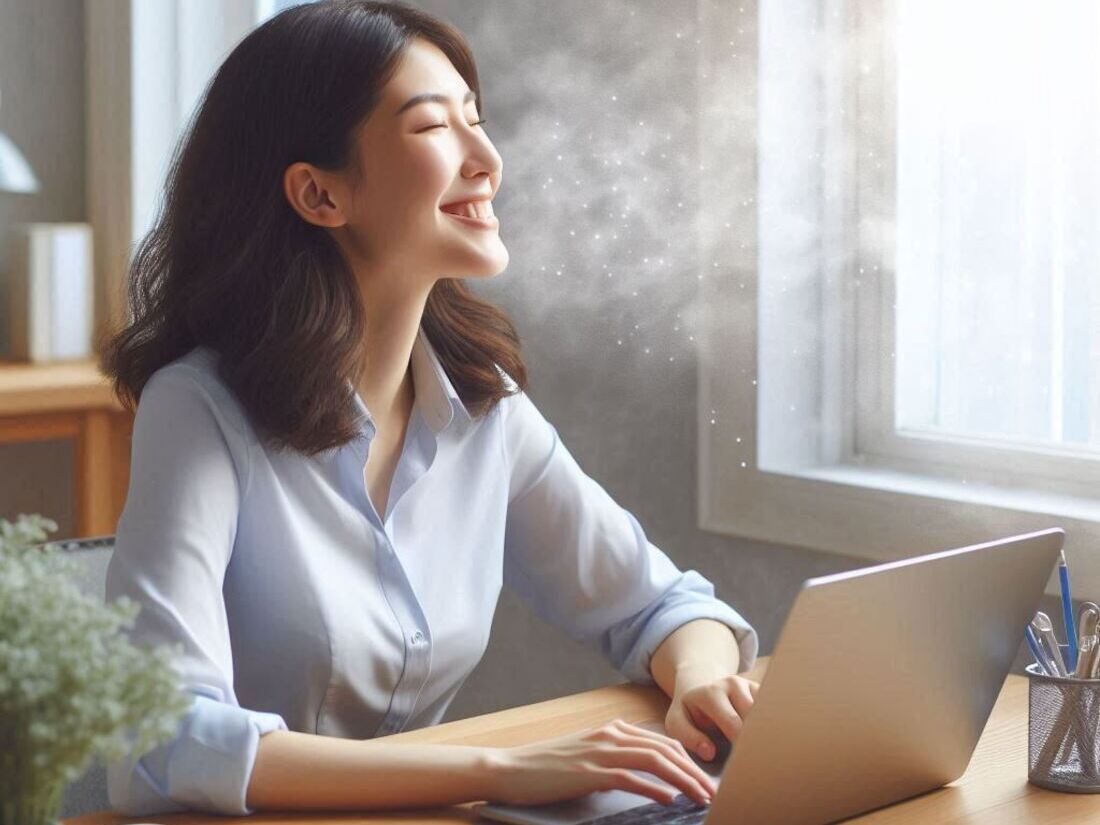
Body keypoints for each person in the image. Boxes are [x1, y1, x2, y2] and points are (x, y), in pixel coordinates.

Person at [99, 0, 760, 815]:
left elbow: (667, 607)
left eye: (476, 121)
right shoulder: (198, 411)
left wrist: (700, 685)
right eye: (432, 128)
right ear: (318, 194)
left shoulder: (482, 408)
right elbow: (170, 737)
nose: (486, 158)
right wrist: (497, 770)